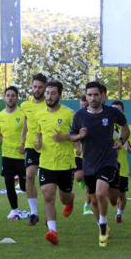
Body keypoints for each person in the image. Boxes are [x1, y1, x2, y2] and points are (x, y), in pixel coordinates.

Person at [70, 82, 129, 247]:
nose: (93, 98)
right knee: (95, 200)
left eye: (96, 95)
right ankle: (102, 226)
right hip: (89, 163)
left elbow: (125, 127)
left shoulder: (111, 113)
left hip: (108, 161)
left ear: (102, 95)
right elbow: (72, 136)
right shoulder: (80, 115)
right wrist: (78, 136)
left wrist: (122, 141)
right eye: (89, 95)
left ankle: (102, 226)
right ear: (86, 96)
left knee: (106, 196)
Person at [35, 81, 75, 245]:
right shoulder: (40, 115)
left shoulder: (69, 114)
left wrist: (64, 137)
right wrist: (37, 143)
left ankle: (70, 200)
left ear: (59, 95)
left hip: (65, 164)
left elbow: (79, 134)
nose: (49, 96)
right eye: (47, 93)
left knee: (64, 198)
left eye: (53, 93)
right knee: (48, 196)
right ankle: (53, 231)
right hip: (46, 163)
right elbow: (38, 134)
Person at [0, 86, 26, 220]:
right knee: (8, 183)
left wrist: (25, 145)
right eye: (8, 95)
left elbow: (28, 131)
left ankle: (23, 184)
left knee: (24, 186)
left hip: (21, 155)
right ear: (4, 97)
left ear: (17, 97)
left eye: (13, 95)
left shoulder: (23, 113)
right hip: (6, 155)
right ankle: (14, 210)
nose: (10, 98)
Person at [20, 73, 48, 225]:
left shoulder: (49, 104)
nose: (37, 89)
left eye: (40, 87)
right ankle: (33, 213)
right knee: (29, 176)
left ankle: (49, 211)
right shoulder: (26, 105)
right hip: (31, 146)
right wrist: (23, 141)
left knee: (47, 185)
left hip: (47, 147)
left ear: (45, 88)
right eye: (35, 86)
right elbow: (25, 123)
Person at [110, 100, 131, 224]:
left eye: (118, 110)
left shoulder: (128, 129)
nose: (116, 112)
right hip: (106, 165)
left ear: (123, 112)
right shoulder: (105, 125)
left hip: (122, 168)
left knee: (121, 195)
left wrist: (127, 147)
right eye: (113, 110)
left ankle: (119, 213)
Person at [75, 94, 93, 215]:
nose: (83, 107)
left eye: (84, 105)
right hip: (78, 154)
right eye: (81, 105)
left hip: (91, 154)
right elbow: (72, 135)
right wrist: (77, 147)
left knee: (90, 187)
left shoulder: (94, 117)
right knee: (79, 177)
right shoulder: (77, 117)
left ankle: (87, 205)